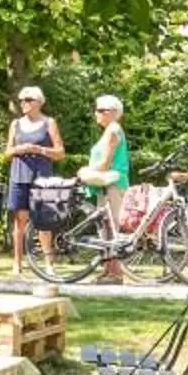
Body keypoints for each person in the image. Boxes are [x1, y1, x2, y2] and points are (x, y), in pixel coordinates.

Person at [3, 85, 65, 272]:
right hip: (19, 175)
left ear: (39, 102)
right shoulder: (16, 124)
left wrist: (41, 150)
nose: (24, 103)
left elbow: (60, 153)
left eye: (28, 100)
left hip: (42, 178)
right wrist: (18, 149)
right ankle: (17, 262)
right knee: (19, 220)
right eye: (21, 100)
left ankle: (48, 263)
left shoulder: (49, 123)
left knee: (44, 220)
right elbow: (7, 152)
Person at [74, 94, 134, 280]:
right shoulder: (110, 129)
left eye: (101, 110)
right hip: (107, 184)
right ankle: (109, 270)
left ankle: (115, 272)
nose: (96, 113)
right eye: (97, 110)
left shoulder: (113, 130)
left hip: (113, 184)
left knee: (112, 227)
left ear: (114, 112)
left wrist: (85, 171)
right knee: (106, 227)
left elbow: (105, 163)